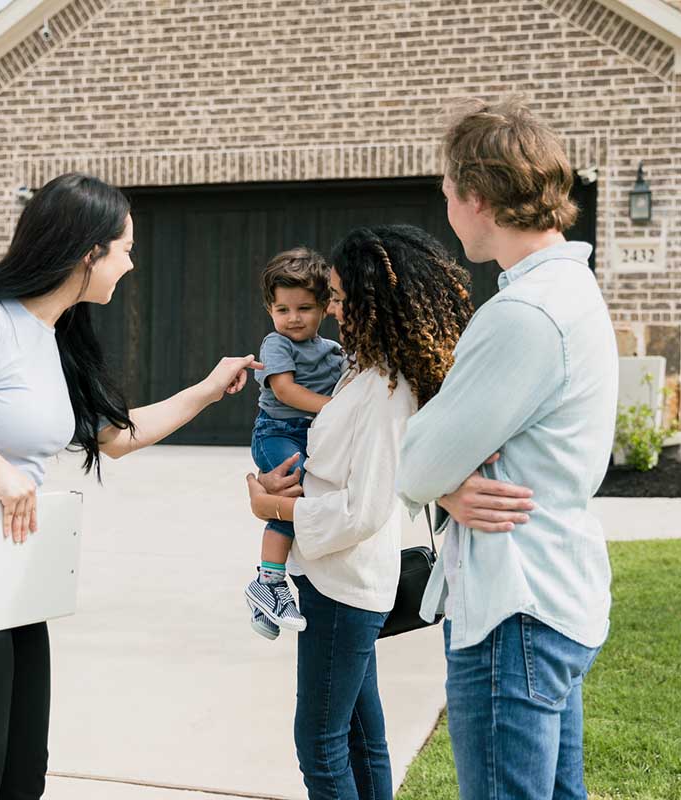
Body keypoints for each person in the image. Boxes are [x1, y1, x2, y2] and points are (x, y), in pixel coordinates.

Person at [0, 173, 260, 800]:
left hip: (9, 576)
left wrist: (208, 390)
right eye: (124, 248)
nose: (131, 262)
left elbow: (115, 438)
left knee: (21, 780)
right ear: (87, 252)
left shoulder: (53, 336)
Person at [395, 98, 620, 800]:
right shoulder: (570, 288)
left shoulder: (524, 313)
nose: (447, 212)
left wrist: (440, 477)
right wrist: (449, 482)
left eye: (448, 196)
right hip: (552, 594)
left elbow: (417, 463)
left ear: (479, 198)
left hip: (513, 610)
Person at [244, 224, 474, 800]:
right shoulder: (365, 369)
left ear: (375, 302)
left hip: (342, 584)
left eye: (341, 299)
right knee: (361, 737)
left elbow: (365, 510)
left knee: (320, 744)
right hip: (343, 579)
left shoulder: (381, 388)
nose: (334, 310)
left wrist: (271, 507)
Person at [245, 248, 344, 639]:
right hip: (277, 433)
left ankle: (264, 611)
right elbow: (284, 391)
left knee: (305, 497)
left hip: (309, 435)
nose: (293, 318)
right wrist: (334, 409)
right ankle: (268, 583)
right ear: (271, 310)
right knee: (293, 496)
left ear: (324, 307)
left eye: (304, 308)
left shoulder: (332, 352)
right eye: (283, 309)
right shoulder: (276, 344)